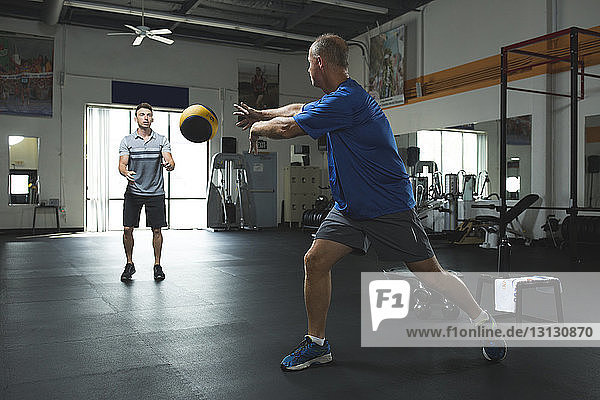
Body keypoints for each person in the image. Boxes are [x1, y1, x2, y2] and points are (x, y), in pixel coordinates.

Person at [233, 33, 507, 371]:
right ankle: (317, 344)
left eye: (308, 64)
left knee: (430, 274)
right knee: (315, 261)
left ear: (320, 63)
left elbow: (290, 128)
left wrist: (259, 127)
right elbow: (297, 109)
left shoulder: (347, 100)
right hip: (350, 208)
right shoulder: (335, 98)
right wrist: (262, 111)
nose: (307, 71)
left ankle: (483, 322)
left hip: (387, 205)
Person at [118, 103, 175, 282]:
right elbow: (122, 164)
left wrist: (169, 165)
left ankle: (157, 265)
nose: (146, 117)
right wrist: (125, 172)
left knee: (157, 230)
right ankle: (129, 264)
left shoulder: (161, 139)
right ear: (136, 118)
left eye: (148, 115)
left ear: (152, 118)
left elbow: (170, 161)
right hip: (133, 192)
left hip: (155, 192)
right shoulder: (127, 140)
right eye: (142, 115)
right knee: (128, 229)